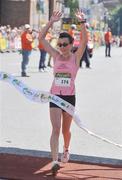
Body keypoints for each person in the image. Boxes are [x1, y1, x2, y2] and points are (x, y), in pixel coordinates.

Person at [39, 10, 87, 175]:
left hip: (69, 97)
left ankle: (66, 149)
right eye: (59, 44)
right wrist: (51, 22)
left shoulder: (76, 57)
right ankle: (54, 161)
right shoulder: (55, 55)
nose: (61, 47)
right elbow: (41, 39)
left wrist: (82, 23)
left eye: (64, 44)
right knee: (55, 129)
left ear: (71, 45)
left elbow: (84, 41)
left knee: (66, 130)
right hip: (55, 96)